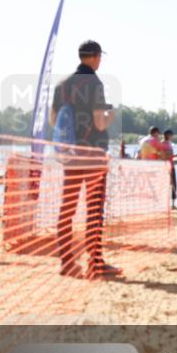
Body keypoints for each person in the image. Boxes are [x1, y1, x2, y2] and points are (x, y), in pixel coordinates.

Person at [50, 40, 122, 280]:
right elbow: (100, 122)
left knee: (67, 208)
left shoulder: (61, 85)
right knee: (94, 209)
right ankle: (95, 263)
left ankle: (66, 262)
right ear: (95, 57)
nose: (100, 61)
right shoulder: (95, 83)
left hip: (70, 156)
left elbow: (53, 122)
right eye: (100, 57)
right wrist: (110, 115)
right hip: (92, 155)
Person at [161, 129, 177, 208]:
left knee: (170, 185)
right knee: (172, 185)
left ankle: (170, 204)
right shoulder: (166, 144)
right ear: (168, 135)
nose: (172, 137)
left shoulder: (164, 144)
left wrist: (174, 156)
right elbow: (165, 155)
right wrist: (172, 155)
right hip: (168, 167)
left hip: (166, 166)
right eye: (171, 135)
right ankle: (172, 204)